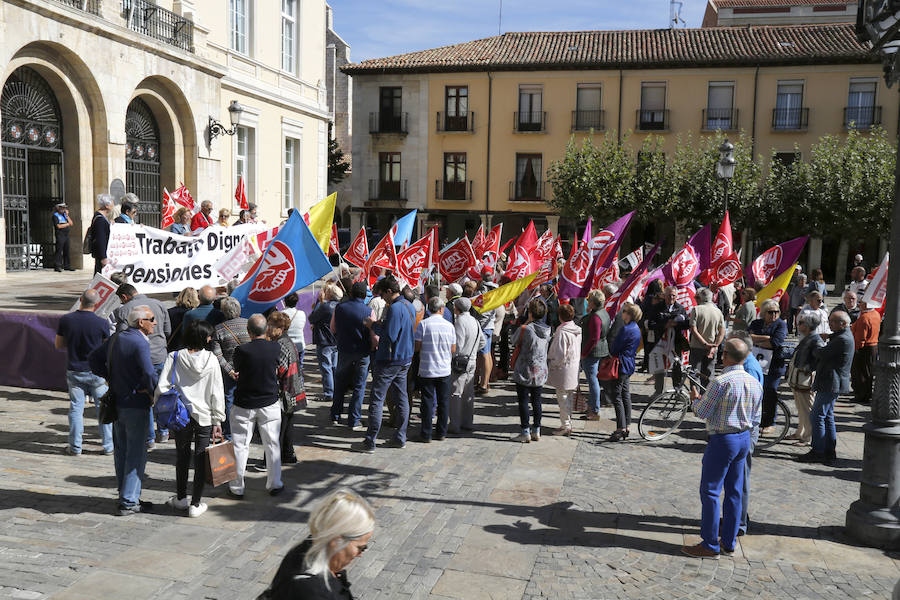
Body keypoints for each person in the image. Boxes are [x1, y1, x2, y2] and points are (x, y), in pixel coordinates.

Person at [681, 338, 762, 559]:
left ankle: (709, 544)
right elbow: (756, 417)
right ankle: (729, 541)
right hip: (744, 437)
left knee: (710, 491)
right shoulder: (754, 381)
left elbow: (702, 412)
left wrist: (695, 400)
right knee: (734, 492)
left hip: (723, 439)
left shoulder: (721, 381)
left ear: (725, 356)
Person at [89, 305, 159, 516]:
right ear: (141, 322)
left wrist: (110, 376)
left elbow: (93, 359)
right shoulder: (139, 343)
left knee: (122, 451)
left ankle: (127, 493)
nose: (155, 323)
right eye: (152, 319)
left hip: (118, 401)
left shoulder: (117, 338)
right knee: (136, 453)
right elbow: (148, 373)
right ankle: (129, 501)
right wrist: (155, 392)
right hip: (136, 403)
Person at [156, 320, 225, 518]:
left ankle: (180, 498)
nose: (211, 338)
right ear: (204, 338)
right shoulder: (211, 359)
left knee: (182, 456)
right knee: (201, 459)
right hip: (204, 416)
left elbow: (162, 387)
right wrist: (217, 420)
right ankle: (196, 503)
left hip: (181, 414)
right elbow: (217, 391)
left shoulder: (174, 357)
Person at [266, 488, 374, 600]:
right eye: (361, 548)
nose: (360, 554)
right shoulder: (315, 592)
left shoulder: (305, 549)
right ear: (336, 541)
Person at [354, 277, 415, 453]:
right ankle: (400, 436)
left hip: (390, 359)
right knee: (402, 397)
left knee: (377, 399)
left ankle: (370, 440)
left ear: (389, 291)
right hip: (404, 358)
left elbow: (391, 335)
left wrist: (373, 325)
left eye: (382, 294)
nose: (382, 298)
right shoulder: (408, 304)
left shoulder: (395, 308)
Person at [229, 314, 284, 497]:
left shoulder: (241, 350)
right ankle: (275, 483)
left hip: (245, 402)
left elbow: (238, 369)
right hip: (269, 402)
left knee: (240, 444)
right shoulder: (275, 347)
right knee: (272, 443)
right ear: (266, 329)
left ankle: (237, 486)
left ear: (249, 331)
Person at [113, 283, 172, 445]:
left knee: (145, 397)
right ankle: (164, 431)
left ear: (124, 297)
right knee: (161, 394)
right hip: (160, 355)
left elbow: (124, 336)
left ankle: (149, 437)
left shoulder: (124, 310)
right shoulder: (159, 304)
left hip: (140, 360)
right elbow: (168, 331)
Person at [55, 289, 113, 456]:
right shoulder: (101, 323)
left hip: (75, 369)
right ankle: (108, 446)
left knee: (75, 409)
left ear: (80, 300)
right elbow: (106, 348)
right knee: (102, 409)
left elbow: (58, 345)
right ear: (96, 304)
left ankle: (75, 447)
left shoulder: (66, 320)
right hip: (97, 372)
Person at [797, 311, 854, 465]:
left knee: (817, 416)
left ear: (843, 323)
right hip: (831, 381)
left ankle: (818, 451)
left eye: (833, 321)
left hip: (831, 382)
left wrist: (814, 343)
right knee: (827, 416)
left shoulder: (842, 339)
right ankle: (829, 450)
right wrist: (827, 337)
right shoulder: (840, 336)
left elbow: (821, 353)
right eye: (829, 321)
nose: (829, 324)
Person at [330, 282, 372, 430]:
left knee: (340, 383)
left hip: (344, 350)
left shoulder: (340, 308)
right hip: (362, 352)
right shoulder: (368, 310)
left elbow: (333, 328)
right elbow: (372, 332)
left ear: (352, 293)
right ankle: (354, 420)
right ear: (365, 296)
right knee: (359, 386)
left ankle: (335, 415)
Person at [414, 297, 456, 442]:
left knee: (427, 402)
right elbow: (453, 348)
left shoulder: (423, 325)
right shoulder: (449, 326)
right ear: (441, 309)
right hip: (444, 369)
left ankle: (426, 434)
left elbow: (417, 347)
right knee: (443, 402)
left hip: (427, 368)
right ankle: (441, 432)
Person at [511, 297, 551, 443]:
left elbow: (513, 340)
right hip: (540, 370)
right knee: (537, 400)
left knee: (523, 400)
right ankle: (537, 429)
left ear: (530, 313)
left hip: (524, 369)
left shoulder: (526, 329)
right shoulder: (547, 330)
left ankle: (525, 431)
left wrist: (526, 322)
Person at [211, 297, 250, 441]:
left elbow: (217, 355)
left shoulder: (219, 329)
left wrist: (230, 371)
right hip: (248, 371)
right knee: (249, 398)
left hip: (230, 372)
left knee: (229, 399)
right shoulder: (248, 324)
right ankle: (250, 429)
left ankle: (229, 432)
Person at [268, 312, 304, 465]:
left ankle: (270, 459)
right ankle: (288, 455)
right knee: (287, 424)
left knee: (277, 427)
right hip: (292, 389)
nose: (268, 329)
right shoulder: (286, 341)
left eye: (271, 326)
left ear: (280, 328)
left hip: (285, 390)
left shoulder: (281, 344)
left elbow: (280, 369)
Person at [749, 299, 787, 434]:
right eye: (771, 312)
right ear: (764, 313)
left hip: (774, 366)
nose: (774, 315)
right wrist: (766, 338)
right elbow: (748, 337)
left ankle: (770, 421)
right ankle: (754, 418)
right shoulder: (756, 323)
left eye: (777, 312)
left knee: (770, 392)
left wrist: (757, 340)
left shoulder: (780, 325)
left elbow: (775, 342)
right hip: (756, 364)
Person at [786, 311, 825, 446]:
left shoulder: (815, 340)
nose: (798, 324)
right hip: (799, 380)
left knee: (808, 410)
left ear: (807, 326)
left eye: (801, 323)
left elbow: (821, 359)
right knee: (801, 408)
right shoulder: (807, 338)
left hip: (805, 381)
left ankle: (808, 437)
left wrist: (809, 370)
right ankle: (800, 432)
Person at [448, 297, 485, 434]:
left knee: (456, 392)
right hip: (472, 359)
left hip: (461, 360)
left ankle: (455, 424)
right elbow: (482, 341)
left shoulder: (460, 321)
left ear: (457, 308)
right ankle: (467, 422)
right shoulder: (475, 321)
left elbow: (458, 344)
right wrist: (473, 351)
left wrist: (453, 356)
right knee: (468, 392)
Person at [609, 302, 643, 442]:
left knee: (617, 396)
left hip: (622, 363)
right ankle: (627, 425)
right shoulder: (636, 328)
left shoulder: (626, 329)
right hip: (629, 363)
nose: (622, 313)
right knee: (625, 394)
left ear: (629, 314)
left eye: (624, 311)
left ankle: (621, 427)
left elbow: (615, 347)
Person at [648, 286, 690, 396]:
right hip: (660, 342)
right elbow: (650, 324)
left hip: (675, 343)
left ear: (676, 296)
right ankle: (658, 391)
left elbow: (687, 324)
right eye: (669, 295)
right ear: (664, 295)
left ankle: (677, 391)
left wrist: (676, 324)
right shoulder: (657, 307)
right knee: (659, 367)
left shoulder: (680, 308)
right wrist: (664, 325)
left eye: (673, 295)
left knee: (677, 368)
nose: (671, 297)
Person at [548, 303, 581, 436]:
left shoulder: (562, 332)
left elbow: (560, 354)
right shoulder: (577, 329)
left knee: (562, 397)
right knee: (569, 397)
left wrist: (552, 363)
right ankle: (568, 422)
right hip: (573, 367)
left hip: (564, 369)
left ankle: (566, 425)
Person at [580, 289, 611, 420]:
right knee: (594, 380)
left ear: (593, 303)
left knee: (592, 381)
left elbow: (594, 338)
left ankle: (594, 410)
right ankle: (593, 406)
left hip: (593, 352)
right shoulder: (603, 313)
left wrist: (584, 353)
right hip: (601, 349)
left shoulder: (595, 317)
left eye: (589, 301)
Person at [309, 284, 341, 405]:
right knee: (334, 367)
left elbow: (312, 318)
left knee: (326, 367)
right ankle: (335, 390)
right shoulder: (339, 306)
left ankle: (329, 393)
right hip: (335, 340)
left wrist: (318, 303)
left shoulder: (325, 307)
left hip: (325, 341)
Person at [689, 288, 726, 387]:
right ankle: (708, 397)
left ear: (700, 298)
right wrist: (715, 345)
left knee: (694, 374)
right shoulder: (718, 311)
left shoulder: (696, 309)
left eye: (696, 297)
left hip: (697, 346)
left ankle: (695, 398)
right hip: (712, 348)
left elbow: (693, 329)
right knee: (709, 374)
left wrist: (704, 343)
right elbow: (722, 331)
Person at [850, 300, 880, 405]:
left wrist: (855, 350)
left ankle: (861, 395)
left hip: (864, 348)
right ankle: (867, 394)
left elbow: (860, 338)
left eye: (861, 303)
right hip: (873, 346)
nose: (859, 304)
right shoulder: (875, 313)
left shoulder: (864, 318)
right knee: (869, 372)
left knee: (860, 372)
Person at [89, 194, 113, 274]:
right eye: (112, 203)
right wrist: (103, 257)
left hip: (102, 253)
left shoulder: (102, 218)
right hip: (101, 254)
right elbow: (100, 238)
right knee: (100, 276)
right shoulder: (100, 220)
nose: (113, 205)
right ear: (107, 205)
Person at [283, 292, 307, 368]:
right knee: (299, 369)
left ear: (285, 301)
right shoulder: (302, 313)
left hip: (286, 346)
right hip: (300, 345)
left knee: (287, 370)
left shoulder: (281, 314)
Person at [51, 203, 74, 272]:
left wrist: (67, 215)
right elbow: (58, 226)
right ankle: (57, 265)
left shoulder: (64, 215)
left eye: (65, 208)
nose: (64, 209)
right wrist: (67, 224)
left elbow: (71, 223)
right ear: (58, 208)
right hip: (60, 235)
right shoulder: (55, 216)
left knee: (66, 250)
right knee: (59, 250)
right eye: (62, 208)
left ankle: (67, 265)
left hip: (66, 235)